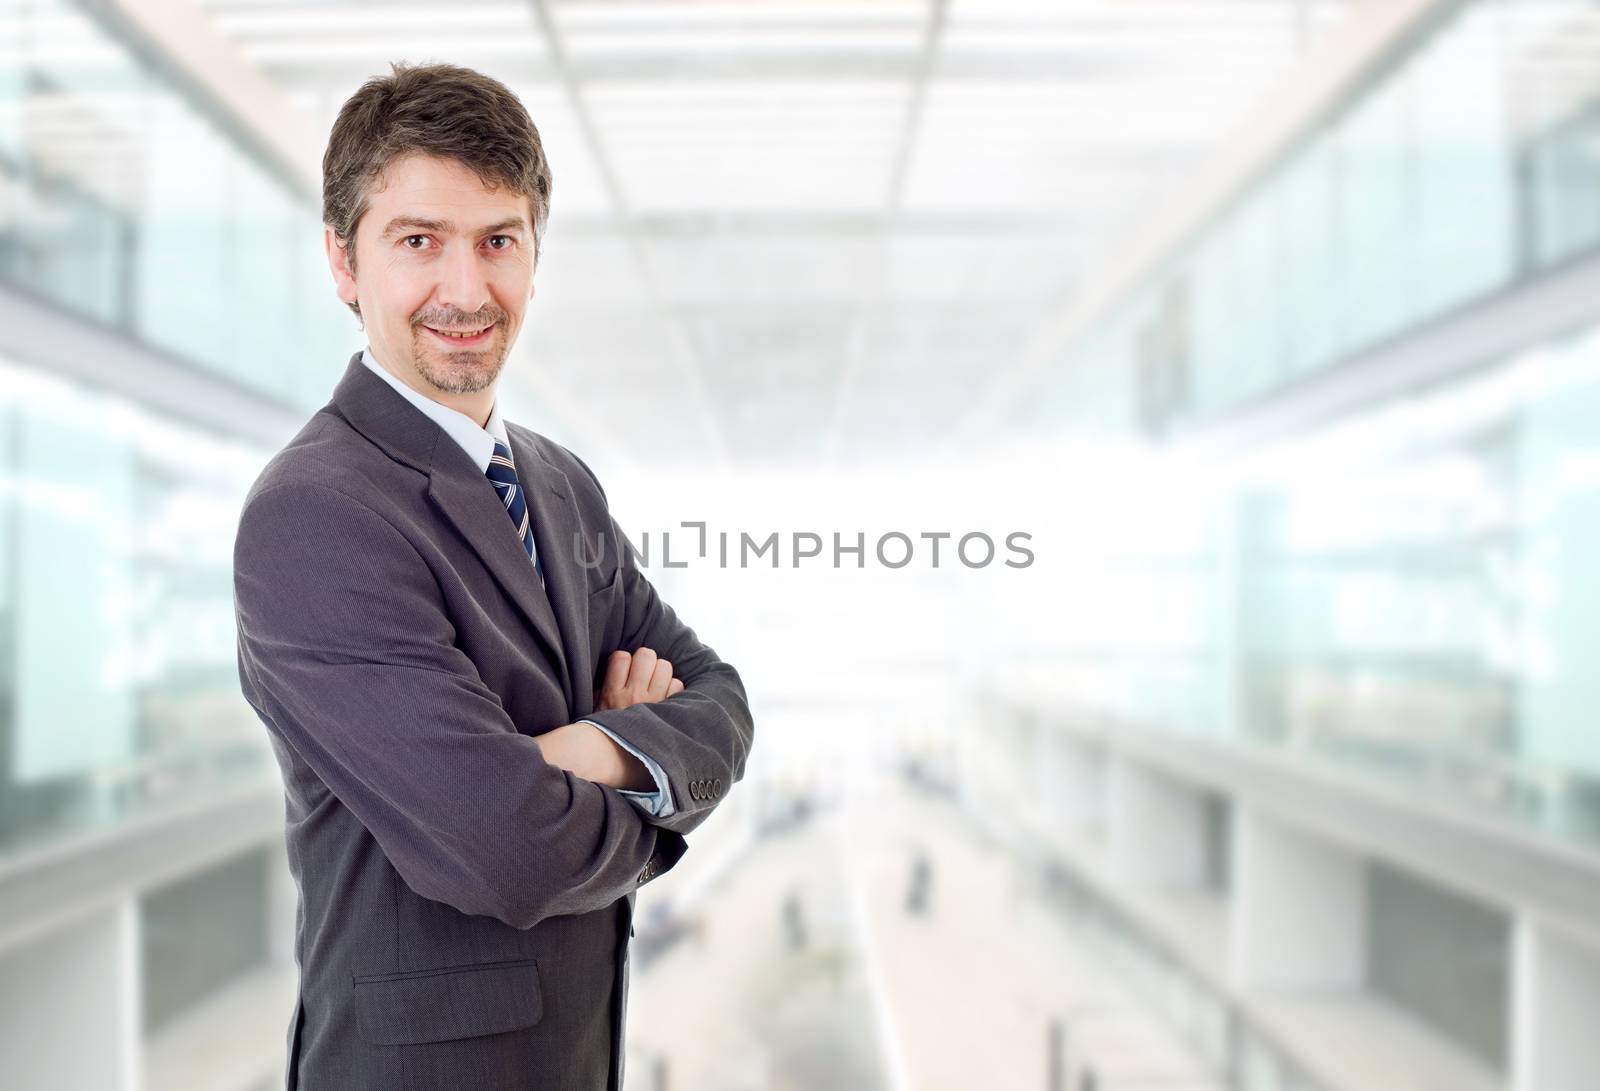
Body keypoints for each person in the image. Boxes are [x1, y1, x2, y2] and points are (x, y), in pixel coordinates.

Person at [231, 61, 754, 1091]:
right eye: (418, 241)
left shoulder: (560, 483)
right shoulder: (317, 515)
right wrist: (643, 775)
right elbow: (505, 849)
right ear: (343, 262)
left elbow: (721, 705)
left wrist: (583, 750)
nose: (466, 290)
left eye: (497, 241)